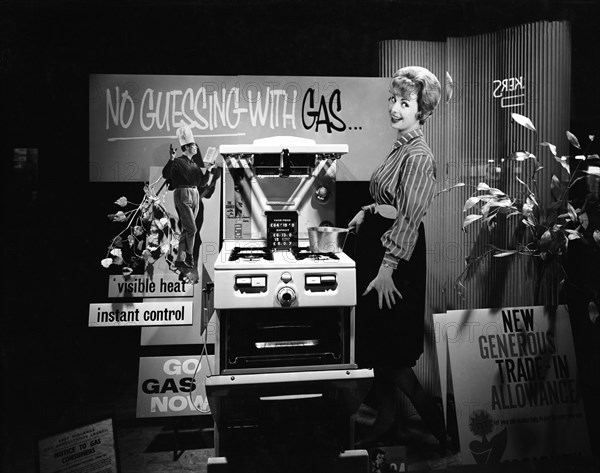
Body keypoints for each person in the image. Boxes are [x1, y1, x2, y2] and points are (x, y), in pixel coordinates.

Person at [348, 66, 447, 450]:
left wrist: (388, 267)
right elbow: (389, 200)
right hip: (383, 256)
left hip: (398, 262)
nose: (395, 108)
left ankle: (435, 422)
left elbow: (409, 216)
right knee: (380, 347)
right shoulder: (400, 147)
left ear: (422, 111)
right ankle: (387, 421)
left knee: (393, 354)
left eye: (404, 103)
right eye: (393, 100)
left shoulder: (419, 156)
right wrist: (367, 210)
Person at [162, 125, 219, 268]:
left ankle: (180, 259)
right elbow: (165, 174)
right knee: (192, 229)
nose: (196, 148)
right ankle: (189, 257)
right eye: (193, 145)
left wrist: (210, 171)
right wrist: (171, 159)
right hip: (183, 194)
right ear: (187, 147)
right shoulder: (178, 162)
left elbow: (202, 183)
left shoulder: (194, 165)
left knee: (188, 229)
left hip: (195, 194)